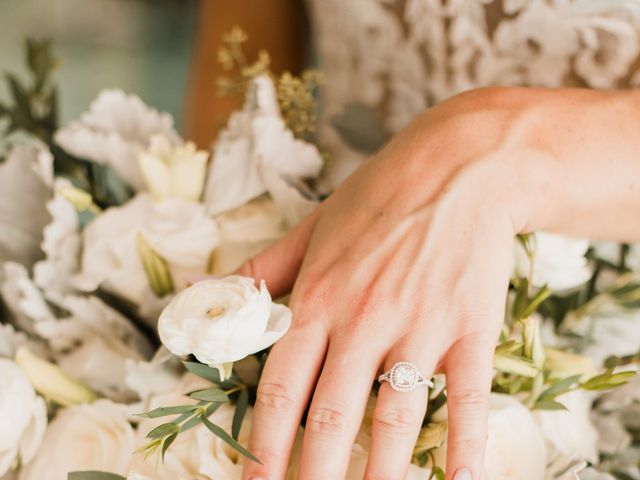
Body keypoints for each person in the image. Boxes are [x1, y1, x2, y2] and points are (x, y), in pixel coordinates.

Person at [187, 1, 640, 479]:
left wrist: (481, 153)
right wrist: (215, 233)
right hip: (326, 273)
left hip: (606, 354)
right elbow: (246, 68)